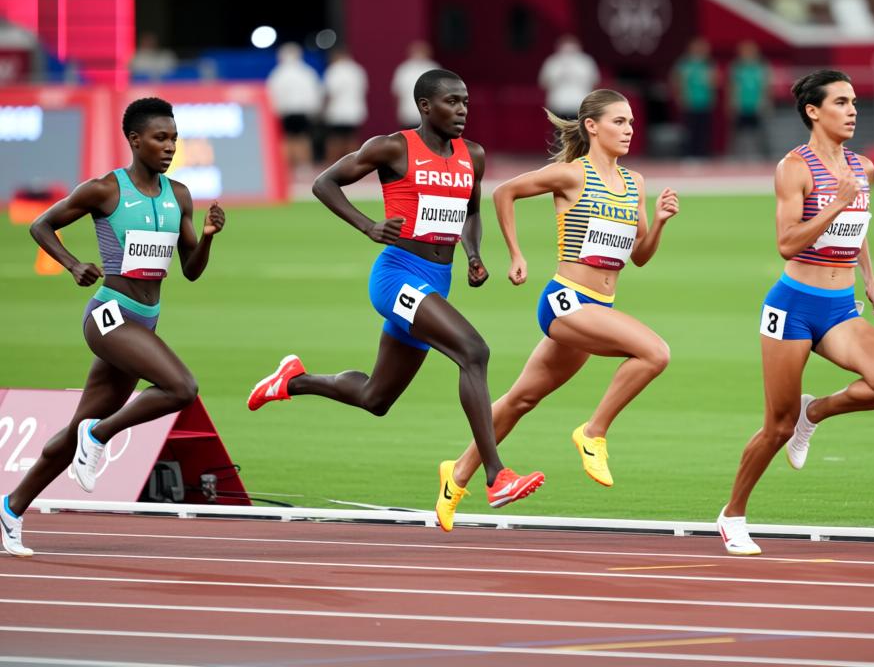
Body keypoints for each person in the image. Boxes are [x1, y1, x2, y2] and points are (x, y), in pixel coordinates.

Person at [247, 69, 543, 511]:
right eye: (451, 102)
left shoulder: (473, 156)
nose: (462, 110)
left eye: (465, 102)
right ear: (425, 107)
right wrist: (368, 226)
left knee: (376, 398)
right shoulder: (394, 147)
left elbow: (470, 212)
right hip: (397, 276)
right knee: (473, 351)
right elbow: (323, 183)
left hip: (436, 280)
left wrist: (474, 255)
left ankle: (294, 380)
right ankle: (496, 475)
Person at [435, 88, 679, 532]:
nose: (628, 130)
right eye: (618, 122)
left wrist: (659, 222)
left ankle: (458, 474)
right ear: (592, 126)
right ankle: (593, 432)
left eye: (630, 123)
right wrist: (516, 254)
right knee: (655, 353)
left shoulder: (635, 183)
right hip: (566, 302)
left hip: (598, 307)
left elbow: (639, 257)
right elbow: (504, 193)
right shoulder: (571, 175)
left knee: (521, 399)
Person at [1, 97, 226, 557]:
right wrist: (70, 264)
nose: (169, 147)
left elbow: (191, 271)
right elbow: (41, 225)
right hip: (110, 315)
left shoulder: (178, 195)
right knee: (182, 387)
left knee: (76, 427)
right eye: (161, 138)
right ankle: (99, 436)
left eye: (174, 139)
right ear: (135, 140)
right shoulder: (105, 189)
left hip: (146, 318)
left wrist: (205, 238)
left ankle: (10, 507)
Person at [717, 70, 874, 557]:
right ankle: (732, 515)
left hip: (840, 307)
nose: (852, 110)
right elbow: (786, 244)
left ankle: (815, 411)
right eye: (842, 102)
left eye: (854, 102)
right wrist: (834, 205)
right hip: (793, 309)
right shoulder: (793, 168)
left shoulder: (861, 165)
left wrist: (871, 280)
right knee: (776, 426)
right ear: (813, 111)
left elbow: (857, 226)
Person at [267, 42, 324, 177]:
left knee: (288, 139)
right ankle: (303, 167)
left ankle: (287, 167)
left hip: (286, 111)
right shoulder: (307, 72)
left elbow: (273, 94)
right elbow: (315, 92)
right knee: (303, 138)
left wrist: (274, 111)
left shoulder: (279, 73)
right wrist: (315, 110)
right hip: (303, 111)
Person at [671, 37, 719, 159]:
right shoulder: (684, 63)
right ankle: (688, 154)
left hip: (704, 101)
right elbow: (676, 80)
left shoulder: (708, 64)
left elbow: (715, 82)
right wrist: (679, 96)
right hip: (689, 101)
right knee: (689, 130)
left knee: (703, 130)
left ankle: (702, 153)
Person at [322, 47, 369, 165]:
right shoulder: (357, 70)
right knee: (352, 138)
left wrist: (323, 108)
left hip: (337, 111)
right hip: (354, 110)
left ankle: (333, 164)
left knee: (335, 139)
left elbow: (329, 92)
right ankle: (354, 164)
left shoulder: (334, 70)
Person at [538, 34, 600, 121]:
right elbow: (543, 82)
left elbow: (595, 82)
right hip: (558, 105)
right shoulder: (552, 61)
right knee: (559, 132)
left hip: (580, 105)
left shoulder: (586, 61)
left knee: (579, 132)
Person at [728, 40, 771, 160]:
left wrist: (767, 103)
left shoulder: (761, 67)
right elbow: (732, 87)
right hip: (741, 104)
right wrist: (731, 103)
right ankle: (736, 157)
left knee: (760, 133)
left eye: (750, 50)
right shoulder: (737, 67)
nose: (748, 53)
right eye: (745, 50)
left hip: (757, 105)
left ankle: (764, 157)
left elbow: (765, 86)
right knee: (738, 134)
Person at [391, 41, 439, 128]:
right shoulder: (404, 69)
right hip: (409, 113)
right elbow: (398, 93)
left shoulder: (433, 68)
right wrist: (399, 112)